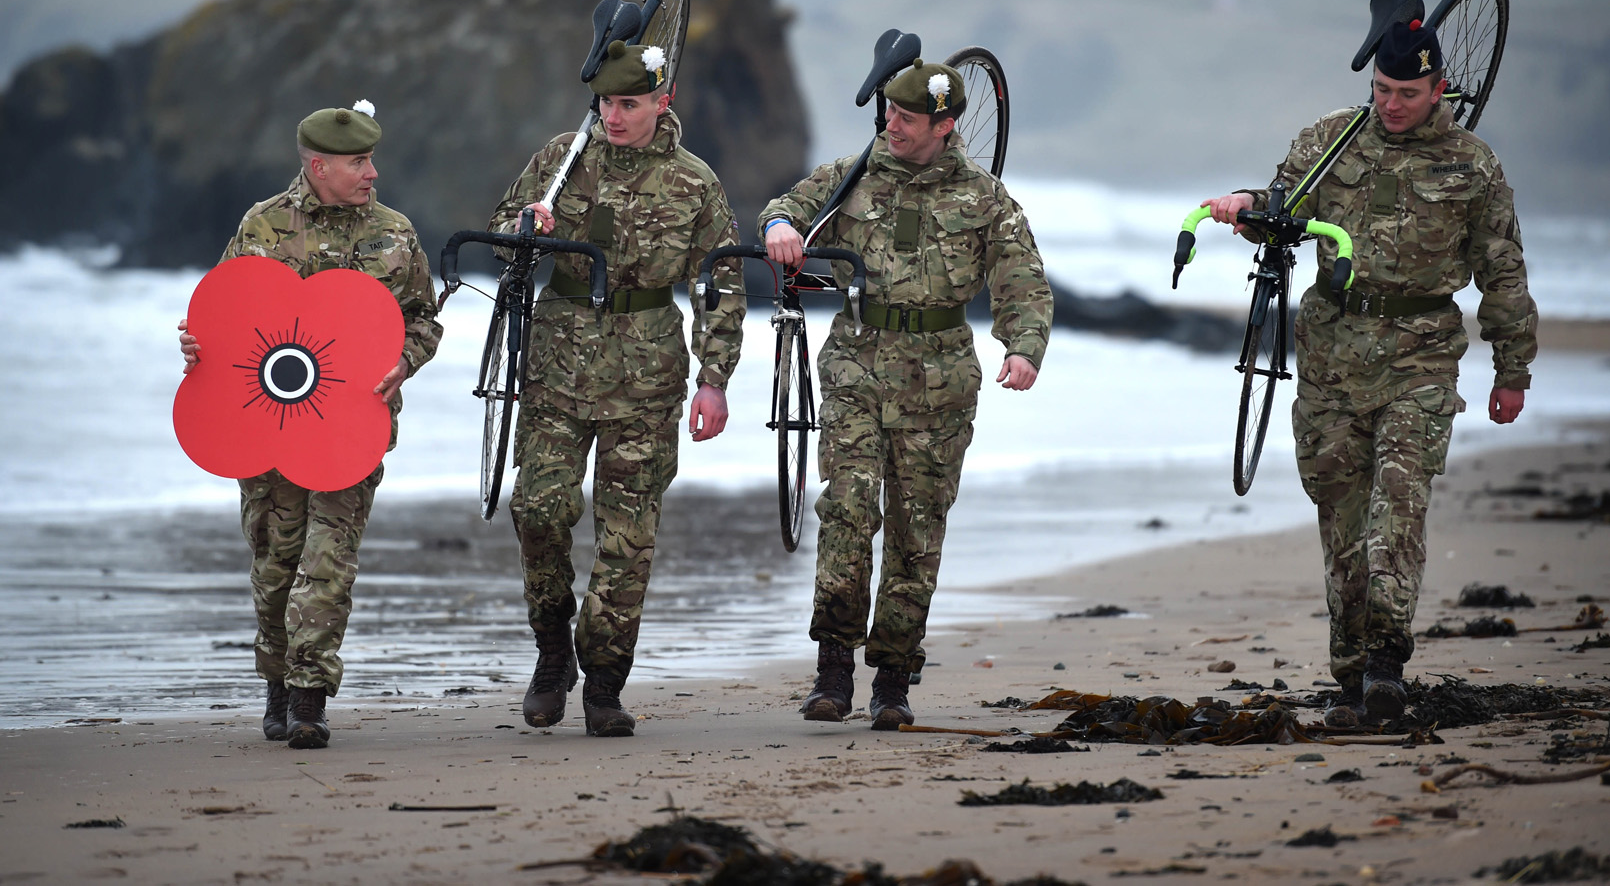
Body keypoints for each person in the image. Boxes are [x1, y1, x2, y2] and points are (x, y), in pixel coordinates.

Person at [1201, 16, 1537, 725]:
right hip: (1331, 358)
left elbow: (1503, 271)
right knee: (1342, 518)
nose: (1390, 104)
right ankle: (1352, 675)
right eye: (1382, 89)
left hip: (1421, 357)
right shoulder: (1331, 139)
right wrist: (1243, 208)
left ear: (1438, 88)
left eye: (1406, 93)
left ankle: (1387, 664)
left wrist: (1513, 369)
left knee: (1398, 505)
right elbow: (1282, 209)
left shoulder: (1473, 165)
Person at [760, 55, 1054, 730]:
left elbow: (1024, 282)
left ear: (943, 126)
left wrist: (1022, 347)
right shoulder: (851, 175)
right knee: (848, 507)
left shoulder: (986, 199)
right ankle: (833, 669)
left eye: (907, 117)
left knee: (917, 531)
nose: (891, 124)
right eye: (889, 111)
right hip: (856, 366)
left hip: (939, 383)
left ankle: (892, 678)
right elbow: (786, 207)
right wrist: (779, 228)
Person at [487, 39, 745, 738]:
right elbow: (501, 234)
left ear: (663, 100)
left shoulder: (694, 182)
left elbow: (720, 287)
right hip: (557, 364)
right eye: (605, 102)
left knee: (627, 536)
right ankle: (552, 651)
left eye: (630, 103)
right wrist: (524, 229)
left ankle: (604, 681)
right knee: (538, 509)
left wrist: (714, 379)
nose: (614, 115)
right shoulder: (562, 158)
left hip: (647, 375)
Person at [177, 101, 442, 748]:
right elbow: (220, 314)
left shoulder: (395, 233)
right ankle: (277, 680)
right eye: (359, 163)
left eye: (371, 161)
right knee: (276, 562)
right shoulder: (262, 226)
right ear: (319, 166)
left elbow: (423, 319)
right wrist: (194, 345)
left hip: (352, 428)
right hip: (264, 425)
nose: (372, 173)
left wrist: (405, 362)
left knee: (328, 561)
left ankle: (307, 698)